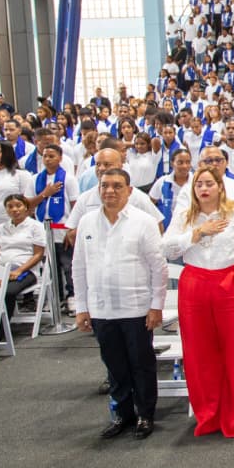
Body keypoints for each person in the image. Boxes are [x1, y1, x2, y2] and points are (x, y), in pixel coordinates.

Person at [162, 167, 234, 438]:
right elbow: (167, 248)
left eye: (209, 183)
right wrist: (197, 233)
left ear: (220, 186)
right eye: (199, 184)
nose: (204, 188)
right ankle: (210, 415)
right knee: (200, 355)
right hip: (196, 286)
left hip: (233, 282)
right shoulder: (185, 216)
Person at [72, 170, 168, 439]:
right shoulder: (87, 222)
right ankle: (122, 414)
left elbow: (158, 267)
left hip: (136, 306)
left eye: (117, 186)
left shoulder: (143, 222)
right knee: (114, 365)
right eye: (105, 186)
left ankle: (145, 414)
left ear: (129, 190)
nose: (110, 191)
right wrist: (81, 307)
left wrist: (156, 305)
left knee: (141, 363)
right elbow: (78, 266)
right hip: (101, 308)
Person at [0, 194, 47, 318]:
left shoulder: (36, 227)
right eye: (10, 207)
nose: (14, 209)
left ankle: (2, 328)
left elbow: (38, 254)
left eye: (18, 206)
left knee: (7, 292)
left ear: (26, 207)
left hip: (26, 271)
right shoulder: (0, 229)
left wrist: (19, 270)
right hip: (1, 270)